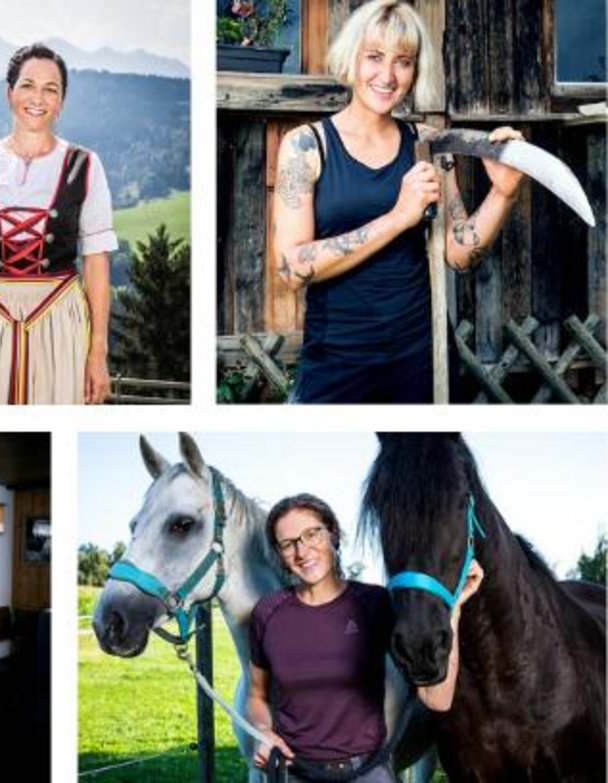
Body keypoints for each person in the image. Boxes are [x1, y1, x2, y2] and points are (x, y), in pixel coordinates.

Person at [271, 0, 525, 403]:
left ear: (415, 70)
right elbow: (291, 268)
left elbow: (460, 255)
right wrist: (397, 217)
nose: (387, 76)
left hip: (420, 361)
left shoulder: (427, 144)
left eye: (403, 62)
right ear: (352, 57)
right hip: (338, 360)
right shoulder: (306, 146)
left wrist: (503, 193)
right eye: (374, 57)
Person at [0, 43, 117, 405]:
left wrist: (97, 354)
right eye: (27, 85)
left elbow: (96, 265)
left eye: (51, 89)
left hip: (60, 315)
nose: (38, 98)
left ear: (62, 101)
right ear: (8, 92)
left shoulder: (86, 165)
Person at [248, 495, 482, 782]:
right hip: (296, 774)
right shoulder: (267, 613)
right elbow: (257, 696)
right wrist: (262, 731)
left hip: (369, 773)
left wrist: (454, 611)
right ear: (280, 554)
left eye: (312, 534)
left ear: (333, 534)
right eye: (288, 543)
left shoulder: (375, 603)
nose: (302, 550)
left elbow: (438, 699)